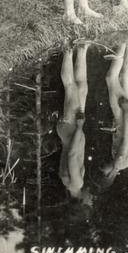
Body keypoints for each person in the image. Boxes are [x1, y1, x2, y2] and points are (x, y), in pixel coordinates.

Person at [100, 38, 128, 188]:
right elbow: (127, 137)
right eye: (103, 171)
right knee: (111, 78)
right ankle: (123, 42)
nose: (102, 166)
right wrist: (124, 110)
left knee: (125, 77)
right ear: (110, 175)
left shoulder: (124, 164)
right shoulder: (119, 161)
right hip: (126, 117)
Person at [56, 43, 92, 205]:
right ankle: (82, 49)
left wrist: (79, 127)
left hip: (72, 128)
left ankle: (67, 49)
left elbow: (71, 154)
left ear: (82, 201)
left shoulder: (77, 183)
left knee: (71, 88)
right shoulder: (67, 184)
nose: (91, 198)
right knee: (82, 88)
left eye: (90, 201)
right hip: (67, 131)